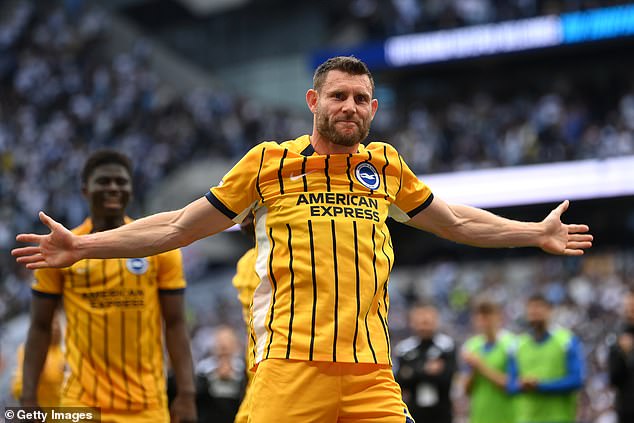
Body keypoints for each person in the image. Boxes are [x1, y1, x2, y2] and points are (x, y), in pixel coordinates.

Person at [12, 56, 593, 422]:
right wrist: (82, 246)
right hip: (290, 367)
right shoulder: (268, 164)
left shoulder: (386, 166)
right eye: (338, 96)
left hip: (371, 373)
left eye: (360, 99)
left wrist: (535, 232)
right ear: (314, 101)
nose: (350, 107)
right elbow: (178, 226)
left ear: (373, 109)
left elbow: (458, 223)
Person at [17, 150, 197, 423]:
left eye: (121, 182)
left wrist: (186, 393)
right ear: (85, 190)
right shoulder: (60, 250)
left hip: (146, 404)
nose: (113, 187)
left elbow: (175, 322)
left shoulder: (160, 247)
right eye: (103, 181)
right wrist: (28, 399)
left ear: (131, 191)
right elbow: (40, 326)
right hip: (81, 403)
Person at [507, 294, 585, 423]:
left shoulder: (566, 341)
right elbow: (511, 385)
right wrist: (521, 385)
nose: (534, 312)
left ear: (550, 311)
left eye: (539, 307)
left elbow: (576, 380)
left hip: (559, 418)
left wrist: (540, 386)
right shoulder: (517, 345)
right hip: (526, 418)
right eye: (531, 308)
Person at [394, 302, 456, 423]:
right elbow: (401, 381)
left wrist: (413, 370)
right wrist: (427, 369)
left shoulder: (446, 346)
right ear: (412, 322)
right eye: (421, 321)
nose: (424, 326)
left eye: (427, 321)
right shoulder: (404, 348)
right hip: (414, 410)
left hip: (442, 412)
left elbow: (447, 378)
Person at [461, 299, 516, 423]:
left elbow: (512, 385)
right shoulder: (471, 346)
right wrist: (473, 370)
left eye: (487, 315)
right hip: (479, 417)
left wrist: (480, 366)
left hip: (506, 417)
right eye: (479, 316)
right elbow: (466, 390)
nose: (483, 321)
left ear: (499, 317)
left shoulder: (512, 344)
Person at [231, 213, 259, 423]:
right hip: (256, 383)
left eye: (251, 209)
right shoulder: (245, 264)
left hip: (290, 378)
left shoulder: (296, 255)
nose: (243, 218)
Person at [12, 311, 65, 407]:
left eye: (57, 323)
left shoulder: (63, 351)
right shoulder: (31, 352)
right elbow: (18, 389)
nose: (56, 328)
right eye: (52, 324)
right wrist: (37, 374)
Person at [194, 325, 245, 423]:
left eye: (228, 342)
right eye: (220, 342)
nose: (223, 346)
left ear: (236, 346)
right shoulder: (202, 372)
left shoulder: (244, 373)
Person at [607, 287, 634, 423]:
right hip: (626, 409)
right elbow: (614, 378)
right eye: (627, 308)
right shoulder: (619, 335)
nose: (629, 312)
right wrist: (623, 354)